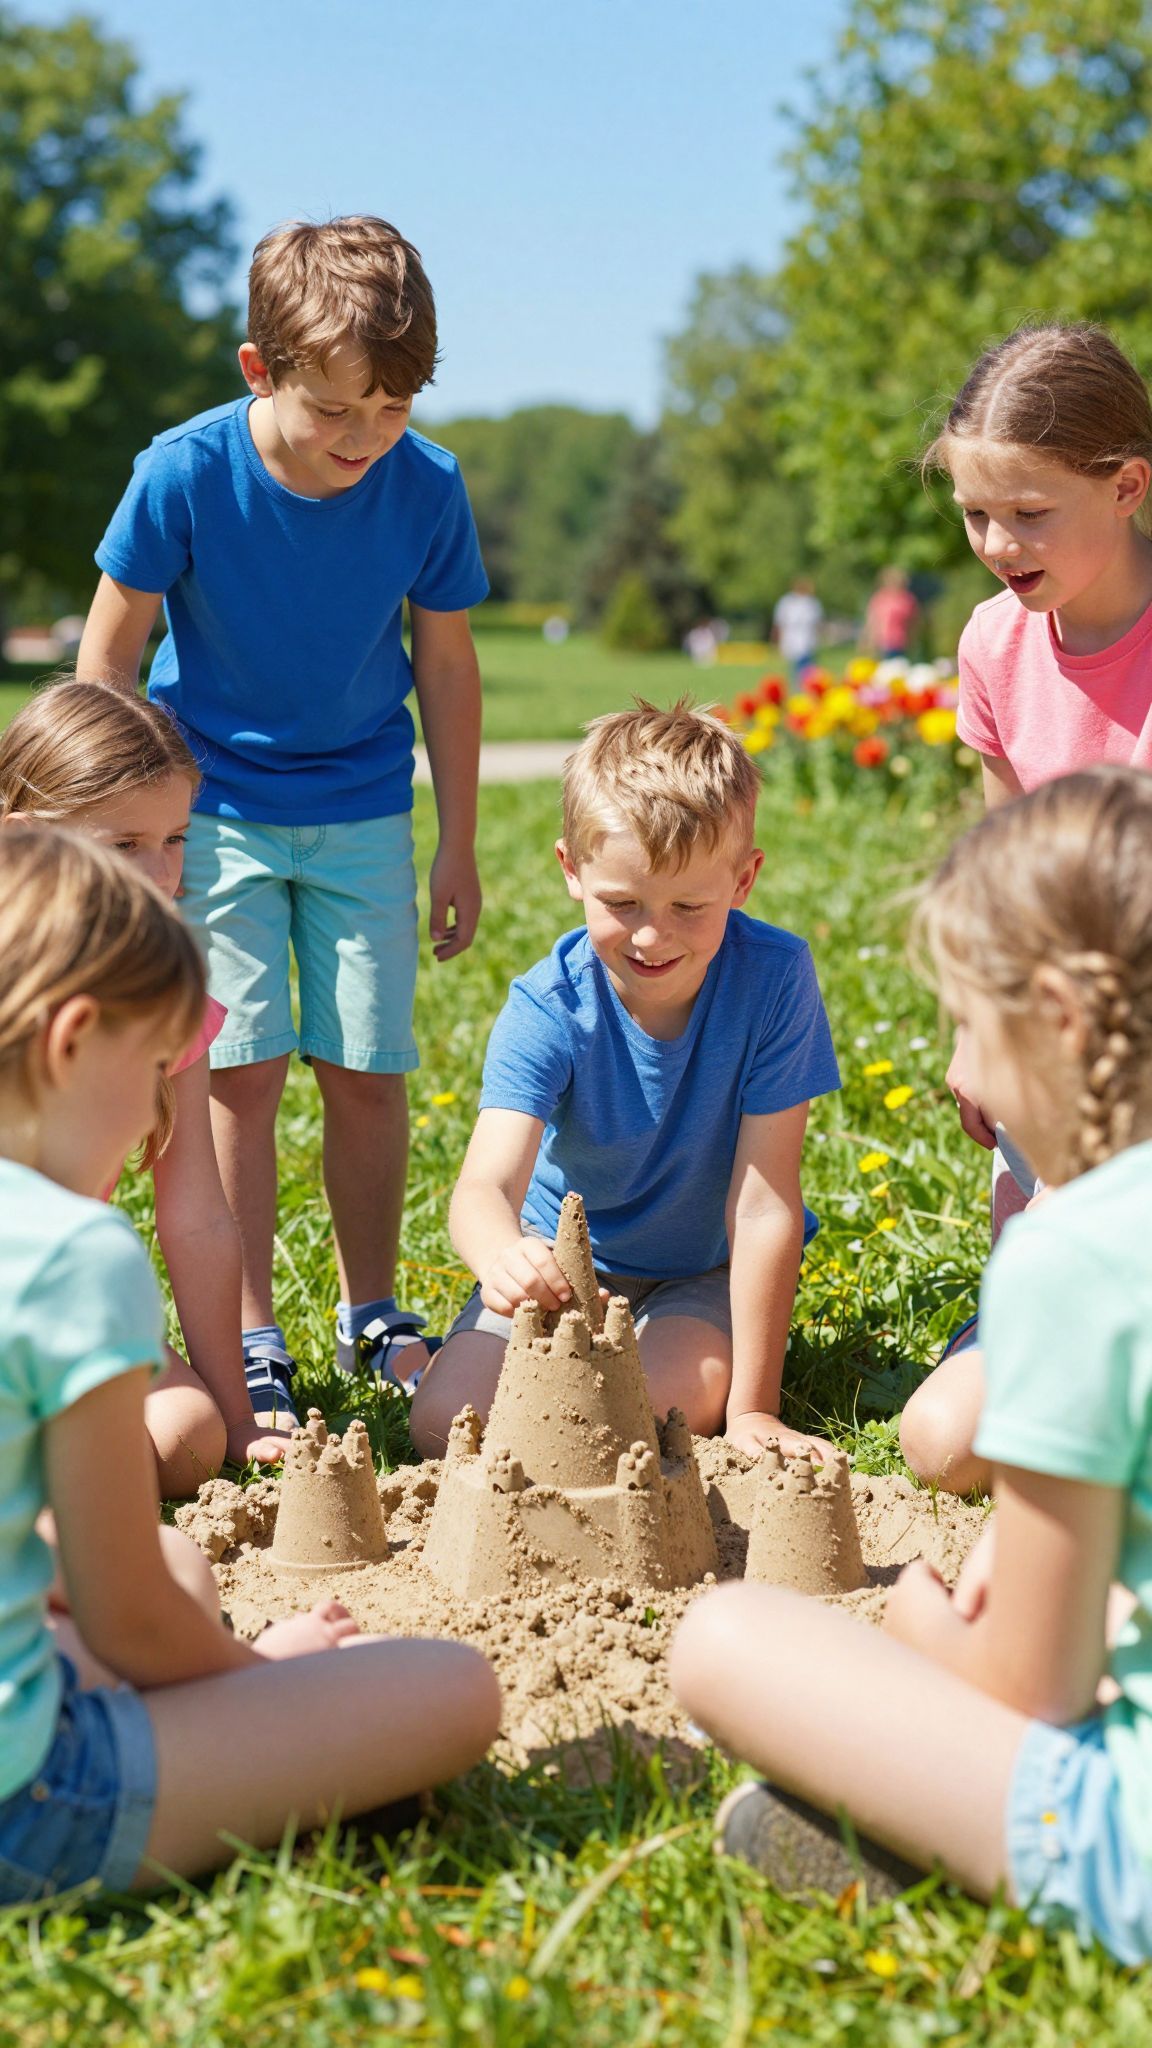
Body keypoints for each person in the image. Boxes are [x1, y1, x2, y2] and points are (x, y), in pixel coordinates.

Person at [673, 766, 1152, 1964]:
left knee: (725, 1637)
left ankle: (932, 1838)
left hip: (1123, 1835)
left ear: (1060, 1018)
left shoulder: (1074, 1255)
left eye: (967, 1025)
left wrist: (919, 1618)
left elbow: (1030, 1681)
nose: (962, 1069)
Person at [0, 824, 500, 1905]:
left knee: (185, 1570)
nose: (150, 1122)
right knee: (454, 1688)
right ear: (73, 1039)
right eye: (153, 1077)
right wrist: (266, 1671)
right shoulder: (72, 1254)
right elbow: (127, 1616)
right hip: (30, 1804)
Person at [76, 215, 489, 1422]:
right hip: (213, 815)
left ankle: (373, 1310)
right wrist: (112, 838)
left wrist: (456, 834)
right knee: (238, 1068)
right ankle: (254, 1329)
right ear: (261, 371)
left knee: (368, 1066)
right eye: (338, 409)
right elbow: (114, 643)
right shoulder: (184, 472)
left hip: (363, 806)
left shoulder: (427, 487)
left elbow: (449, 667)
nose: (366, 438)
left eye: (394, 409)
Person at [409, 699, 841, 1461]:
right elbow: (483, 1188)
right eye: (622, 903)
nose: (650, 934)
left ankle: (701, 1379)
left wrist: (753, 1412)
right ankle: (435, 1364)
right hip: (562, 1270)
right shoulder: (549, 1005)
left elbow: (766, 1200)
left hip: (696, 1274)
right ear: (571, 871)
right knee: (444, 1422)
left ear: (743, 882)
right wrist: (503, 1259)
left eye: (687, 906)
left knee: (648, 1411)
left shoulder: (775, 979)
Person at [901, 323, 1152, 1493]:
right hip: (1060, 1093)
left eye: (1029, 513)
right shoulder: (998, 647)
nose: (997, 544)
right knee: (943, 1444)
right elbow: (1002, 874)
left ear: (1127, 484)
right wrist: (978, 1027)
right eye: (973, 515)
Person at [0, 681, 292, 1484]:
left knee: (189, 1434)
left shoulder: (171, 1001)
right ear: (24, 839)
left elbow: (195, 1213)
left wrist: (237, 1415)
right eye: (123, 844)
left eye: (176, 839)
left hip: (68, 1304)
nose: (161, 873)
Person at [772, 578, 824, 679]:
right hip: (791, 638)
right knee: (795, 666)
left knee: (807, 666)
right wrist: (777, 640)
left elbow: (817, 623)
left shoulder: (812, 603)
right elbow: (780, 623)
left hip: (807, 639)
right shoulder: (787, 602)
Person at [864, 566, 919, 659]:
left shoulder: (908, 600)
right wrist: (869, 640)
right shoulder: (880, 598)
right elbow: (872, 621)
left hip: (901, 642)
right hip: (882, 642)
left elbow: (914, 622)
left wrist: (913, 640)